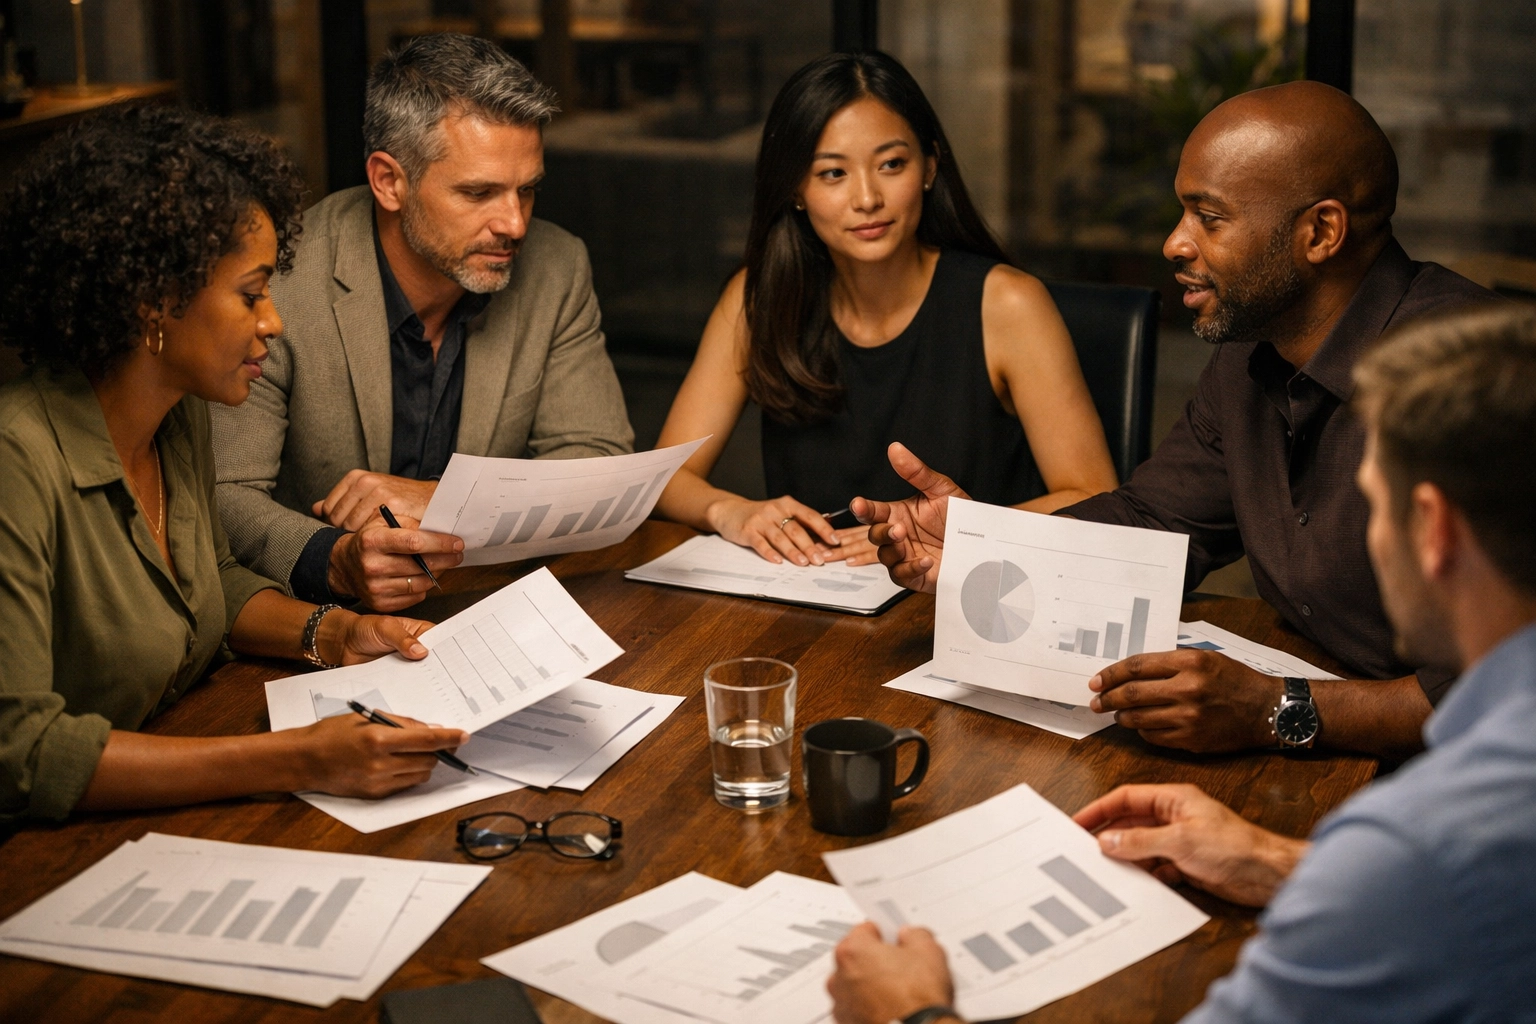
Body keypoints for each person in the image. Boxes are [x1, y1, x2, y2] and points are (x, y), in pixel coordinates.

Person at [828, 303, 1536, 1024]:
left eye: (1373, 505)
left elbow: (1441, 877)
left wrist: (908, 1014)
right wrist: (1284, 867)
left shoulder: (1427, 840)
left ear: (1435, 530)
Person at [856, 81, 1499, 759]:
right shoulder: (1254, 353)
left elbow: (1506, 689)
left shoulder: (1477, 384)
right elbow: (1154, 522)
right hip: (1336, 755)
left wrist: (1273, 708)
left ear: (1321, 232)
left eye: (1209, 217)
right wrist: (986, 546)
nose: (1173, 243)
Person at [0, 105, 470, 828]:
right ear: (153, 301)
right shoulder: (16, 462)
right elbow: (22, 752)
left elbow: (205, 585)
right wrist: (294, 759)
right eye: (251, 294)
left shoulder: (175, 414)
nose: (273, 320)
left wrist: (337, 633)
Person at [212, 33, 633, 612]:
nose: (514, 223)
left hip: (489, 609)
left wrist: (442, 502)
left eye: (527, 190)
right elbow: (221, 492)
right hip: (309, 623)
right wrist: (332, 559)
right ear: (389, 181)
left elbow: (600, 462)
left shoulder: (557, 267)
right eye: (479, 192)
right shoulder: (280, 282)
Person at [651, 51, 1116, 568]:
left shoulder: (1008, 303)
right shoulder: (757, 298)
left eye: (891, 164)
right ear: (797, 191)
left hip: (973, 601)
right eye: (832, 173)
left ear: (929, 167)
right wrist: (729, 510)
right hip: (815, 604)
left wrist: (956, 536)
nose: (867, 197)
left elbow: (1092, 497)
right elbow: (667, 478)